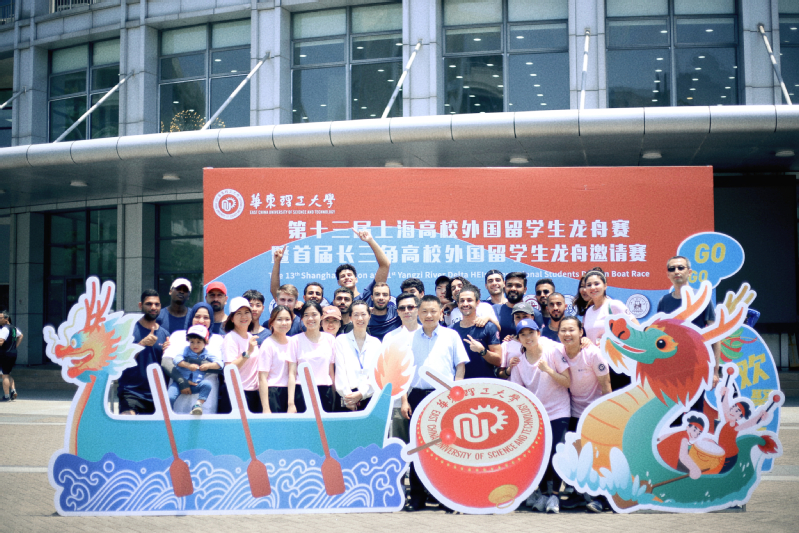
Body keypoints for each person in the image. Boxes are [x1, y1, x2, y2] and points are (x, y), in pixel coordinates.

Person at [406, 295, 469, 511]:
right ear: (418, 313)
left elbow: (460, 366)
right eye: (424, 311)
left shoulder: (451, 335)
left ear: (441, 312)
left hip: (444, 397)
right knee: (418, 447)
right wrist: (404, 400)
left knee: (446, 447)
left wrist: (456, 393)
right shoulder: (411, 338)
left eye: (433, 311)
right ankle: (417, 497)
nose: (429, 315)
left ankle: (447, 496)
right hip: (416, 396)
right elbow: (404, 372)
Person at [509, 319, 570, 514]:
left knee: (556, 453)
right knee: (540, 456)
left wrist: (548, 370)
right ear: (519, 338)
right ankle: (543, 494)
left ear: (538, 333)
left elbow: (567, 381)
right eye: (523, 334)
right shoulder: (519, 362)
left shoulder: (553, 352)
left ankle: (555, 496)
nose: (528, 337)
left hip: (559, 410)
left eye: (531, 333)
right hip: (536, 414)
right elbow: (517, 393)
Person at [557, 315, 611, 513]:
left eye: (572, 330)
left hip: (596, 412)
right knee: (576, 456)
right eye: (563, 330)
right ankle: (578, 495)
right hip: (572, 412)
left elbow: (606, 385)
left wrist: (607, 416)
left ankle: (604, 499)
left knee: (599, 457)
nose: (567, 334)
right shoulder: (558, 352)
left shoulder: (593, 353)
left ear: (581, 332)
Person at [657, 256, 721, 393]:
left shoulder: (702, 298)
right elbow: (658, 336)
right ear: (668, 274)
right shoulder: (664, 301)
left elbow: (715, 336)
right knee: (673, 406)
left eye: (681, 267)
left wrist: (715, 371)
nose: (676, 271)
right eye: (672, 269)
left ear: (689, 272)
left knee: (696, 406)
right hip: (671, 368)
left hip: (697, 365)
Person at [161, 302, 225, 414]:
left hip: (206, 401)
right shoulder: (178, 336)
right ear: (191, 317)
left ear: (211, 320)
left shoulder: (218, 340)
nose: (201, 321)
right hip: (180, 395)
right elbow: (166, 362)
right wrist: (182, 381)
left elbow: (221, 367)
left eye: (206, 317)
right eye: (197, 316)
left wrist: (188, 363)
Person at [583, 269, 638, 390]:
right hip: (598, 364)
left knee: (621, 398)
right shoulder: (588, 311)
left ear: (605, 286)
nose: (593, 287)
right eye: (589, 285)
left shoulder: (614, 305)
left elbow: (636, 329)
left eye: (596, 283)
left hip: (618, 363)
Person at [118, 290, 169, 415]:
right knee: (128, 423)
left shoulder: (165, 334)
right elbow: (120, 360)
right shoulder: (128, 331)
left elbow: (168, 365)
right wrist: (141, 345)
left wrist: (168, 353)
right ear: (140, 305)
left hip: (157, 396)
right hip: (131, 392)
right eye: (149, 304)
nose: (153, 307)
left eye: (157, 304)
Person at [382, 292, 422, 442]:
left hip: (424, 397)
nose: (406, 311)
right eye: (402, 308)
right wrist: (404, 400)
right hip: (398, 402)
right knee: (400, 444)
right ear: (397, 311)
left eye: (410, 307)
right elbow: (391, 371)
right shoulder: (390, 337)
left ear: (418, 309)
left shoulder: (427, 333)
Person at [288, 301, 336, 413]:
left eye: (314, 314)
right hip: (302, 392)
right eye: (306, 315)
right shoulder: (295, 340)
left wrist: (334, 398)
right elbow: (291, 374)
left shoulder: (330, 339)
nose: (310, 318)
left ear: (321, 316)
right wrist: (291, 403)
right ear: (302, 318)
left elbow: (331, 372)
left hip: (325, 391)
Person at [334, 300, 382, 411]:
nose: (360, 318)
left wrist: (362, 394)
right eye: (356, 315)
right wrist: (348, 398)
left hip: (370, 396)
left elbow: (377, 373)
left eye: (363, 314)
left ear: (369, 316)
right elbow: (340, 372)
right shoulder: (341, 340)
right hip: (347, 398)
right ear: (350, 317)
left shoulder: (376, 343)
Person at [450, 285, 501, 379]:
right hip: (460, 384)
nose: (465, 304)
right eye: (462, 301)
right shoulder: (451, 330)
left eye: (469, 300)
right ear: (458, 303)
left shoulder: (489, 327)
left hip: (485, 384)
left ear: (477, 302)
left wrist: (482, 351)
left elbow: (498, 361)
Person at [168, 324, 221, 415]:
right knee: (169, 397)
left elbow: (220, 364)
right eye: (192, 342)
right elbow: (176, 359)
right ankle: (168, 414)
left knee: (207, 384)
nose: (195, 345)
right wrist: (188, 365)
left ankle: (198, 405)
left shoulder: (208, 353)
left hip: (196, 384)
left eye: (198, 342)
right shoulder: (186, 350)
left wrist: (208, 365)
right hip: (180, 383)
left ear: (206, 342)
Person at [717, 385, 770, 474]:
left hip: (729, 458)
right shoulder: (728, 420)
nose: (733, 411)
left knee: (717, 471)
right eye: (732, 408)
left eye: (737, 411)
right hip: (722, 454)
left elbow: (749, 423)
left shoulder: (735, 426)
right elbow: (724, 406)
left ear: (740, 417)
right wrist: (725, 395)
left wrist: (759, 417)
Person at [223, 297, 261, 413]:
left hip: (253, 392)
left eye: (246, 312)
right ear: (232, 318)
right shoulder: (230, 338)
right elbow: (229, 368)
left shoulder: (250, 337)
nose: (243, 316)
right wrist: (248, 352)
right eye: (239, 313)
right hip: (236, 392)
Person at [335, 228, 391, 303]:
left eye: (349, 275)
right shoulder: (337, 303)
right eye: (343, 276)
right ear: (338, 282)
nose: (347, 277)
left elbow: (385, 265)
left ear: (356, 279)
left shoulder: (368, 295)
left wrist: (370, 241)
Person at [257, 305, 295, 414]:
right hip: (273, 392)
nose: (284, 323)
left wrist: (291, 403)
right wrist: (266, 408)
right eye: (279, 319)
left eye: (287, 319)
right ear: (271, 322)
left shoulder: (293, 341)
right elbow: (262, 378)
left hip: (291, 392)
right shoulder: (268, 344)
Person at [493, 272, 542, 340]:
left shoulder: (534, 313)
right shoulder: (494, 310)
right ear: (504, 287)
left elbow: (541, 339)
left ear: (525, 290)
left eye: (518, 286)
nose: (513, 289)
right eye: (509, 285)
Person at [495, 301, 536, 380]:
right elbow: (499, 374)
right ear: (514, 319)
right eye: (518, 317)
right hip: (514, 387)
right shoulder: (506, 344)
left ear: (532, 317)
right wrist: (510, 368)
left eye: (525, 316)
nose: (521, 320)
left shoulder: (542, 342)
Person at [656, 415, 707, 480]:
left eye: (698, 433)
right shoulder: (684, 438)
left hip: (662, 452)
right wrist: (694, 468)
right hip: (669, 460)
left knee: (691, 452)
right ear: (688, 427)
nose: (695, 435)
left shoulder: (680, 433)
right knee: (696, 462)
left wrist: (658, 439)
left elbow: (662, 437)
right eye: (694, 430)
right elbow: (683, 457)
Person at [0, 311, 23, 402]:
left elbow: (1, 342)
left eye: (0, 318)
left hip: (5, 354)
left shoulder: (4, 329)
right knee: (7, 373)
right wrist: (15, 346)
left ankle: (6, 396)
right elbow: (21, 336)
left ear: (6, 319)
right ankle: (13, 390)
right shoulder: (14, 328)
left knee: (4, 375)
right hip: (13, 353)